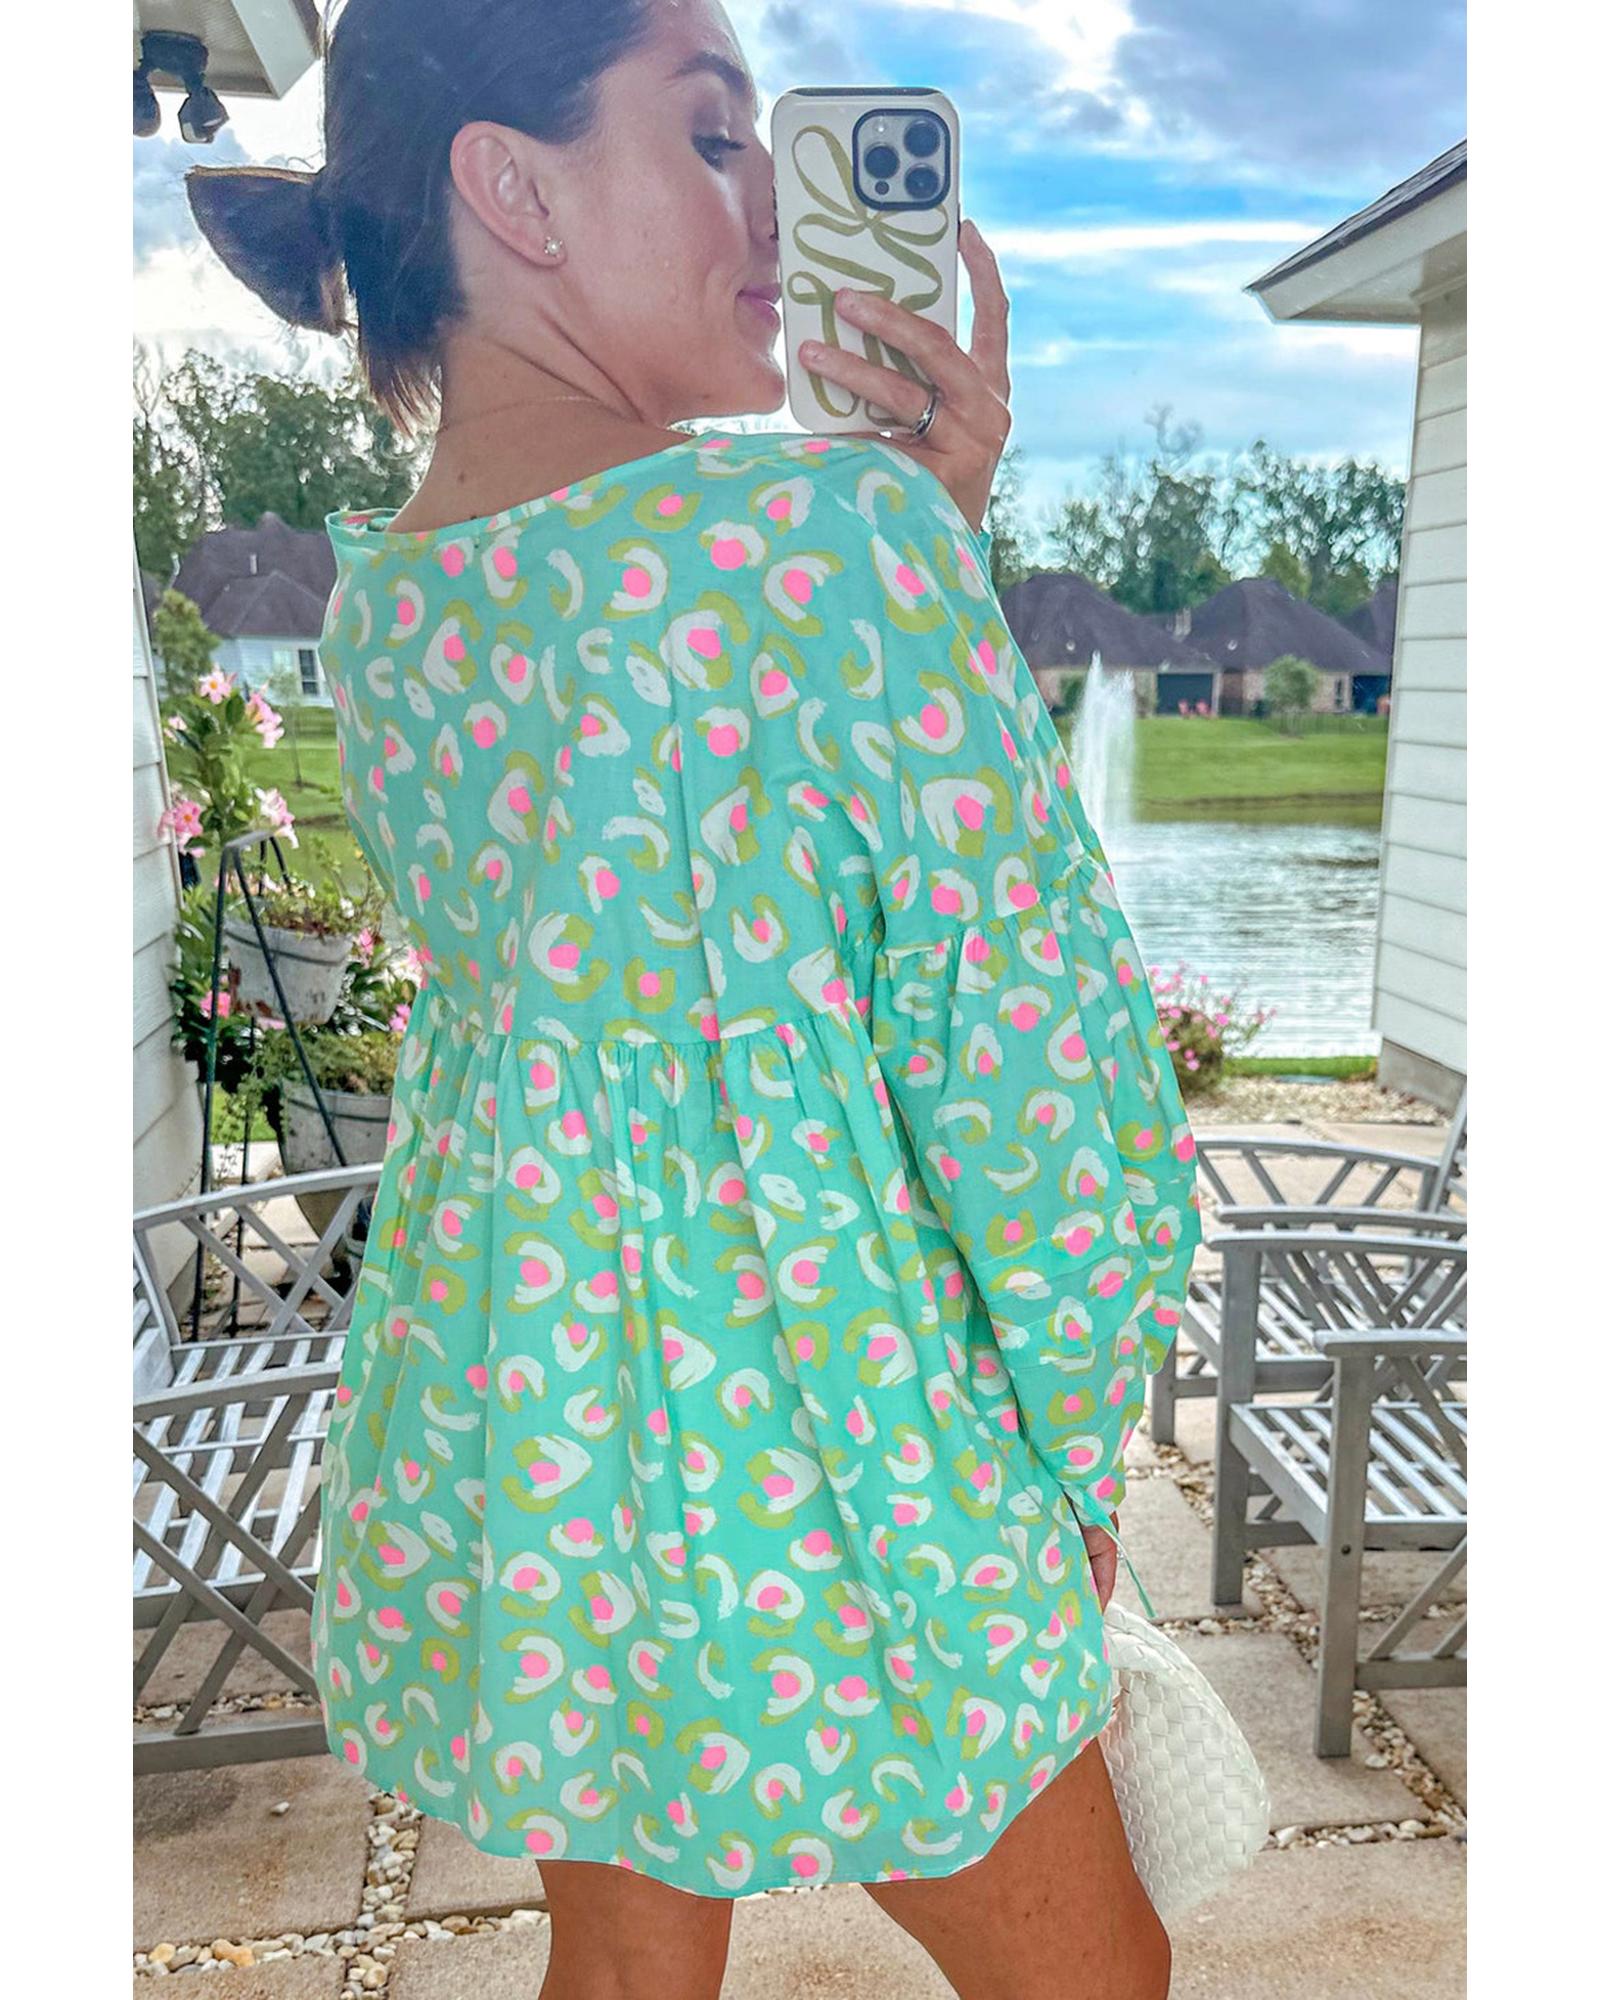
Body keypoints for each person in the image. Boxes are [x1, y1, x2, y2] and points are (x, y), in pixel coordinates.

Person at [186, 3, 1202, 1995]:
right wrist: (1072, 1451)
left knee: (631, 1970)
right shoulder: (824, 541)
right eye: (715, 134)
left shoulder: (396, 602)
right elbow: (1035, 1080)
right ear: (515, 187)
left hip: (528, 1415)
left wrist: (914, 535)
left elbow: (650, 902)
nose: (770, 204)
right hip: (829, 1438)